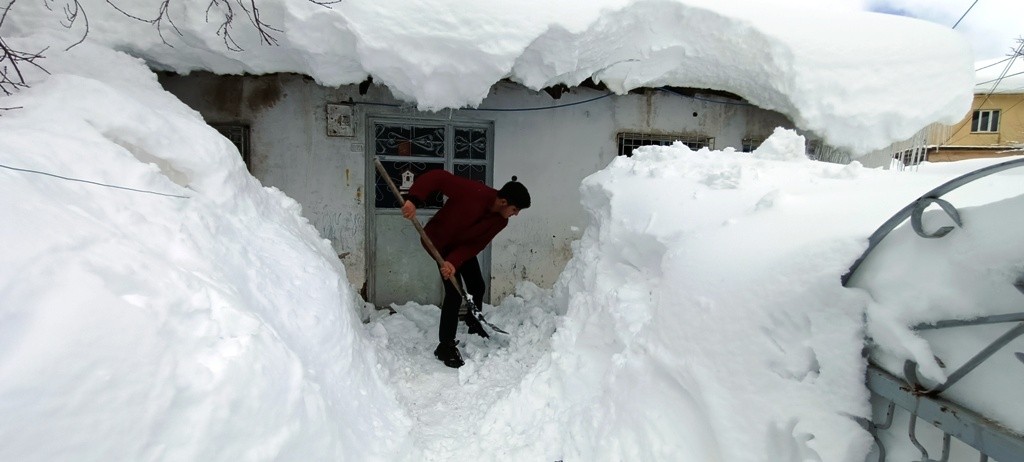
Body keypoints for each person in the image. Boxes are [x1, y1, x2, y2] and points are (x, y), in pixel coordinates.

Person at [401, 169, 530, 368]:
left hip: (460, 248)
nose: (515, 214)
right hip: (438, 243)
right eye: (515, 209)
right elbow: (438, 177)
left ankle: (472, 322)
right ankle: (445, 346)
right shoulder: (473, 192)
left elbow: (476, 245)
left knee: (477, 285)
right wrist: (414, 200)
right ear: (504, 202)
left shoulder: (500, 221)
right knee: (454, 294)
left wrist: (455, 261)